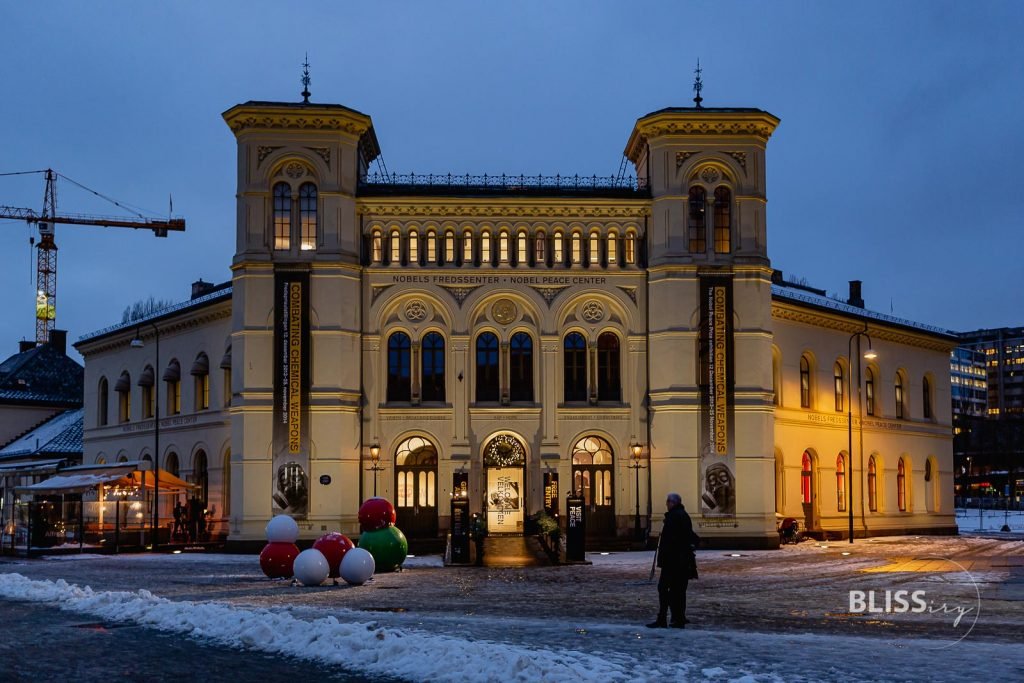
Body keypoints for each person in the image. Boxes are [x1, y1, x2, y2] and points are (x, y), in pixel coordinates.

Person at [647, 492, 699, 629]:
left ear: (673, 503)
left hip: (673, 561)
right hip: (681, 560)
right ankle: (678, 618)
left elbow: (672, 541)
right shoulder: (682, 515)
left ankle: (665, 618)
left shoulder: (674, 517)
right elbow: (688, 536)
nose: (666, 504)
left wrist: (665, 558)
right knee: (678, 590)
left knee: (664, 588)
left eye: (668, 502)